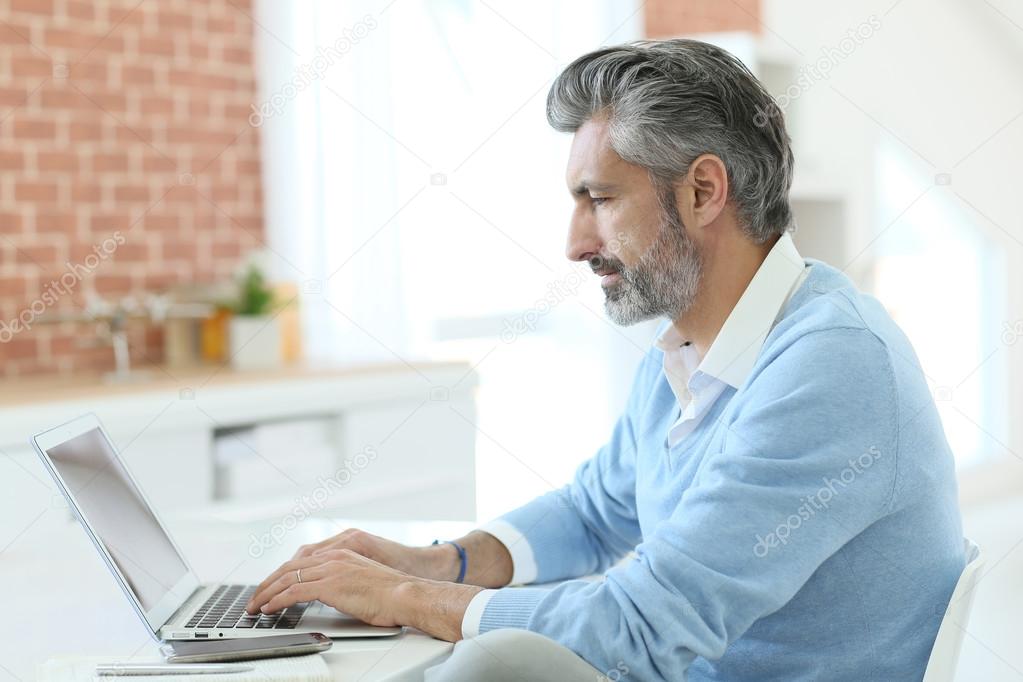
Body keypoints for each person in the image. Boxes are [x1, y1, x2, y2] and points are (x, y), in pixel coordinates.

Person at [245, 38, 965, 681]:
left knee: (485, 667)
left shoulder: (831, 368)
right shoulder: (692, 348)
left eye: (599, 199)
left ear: (703, 191)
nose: (575, 242)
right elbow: (595, 512)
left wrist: (405, 598)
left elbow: (643, 627)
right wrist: (440, 563)